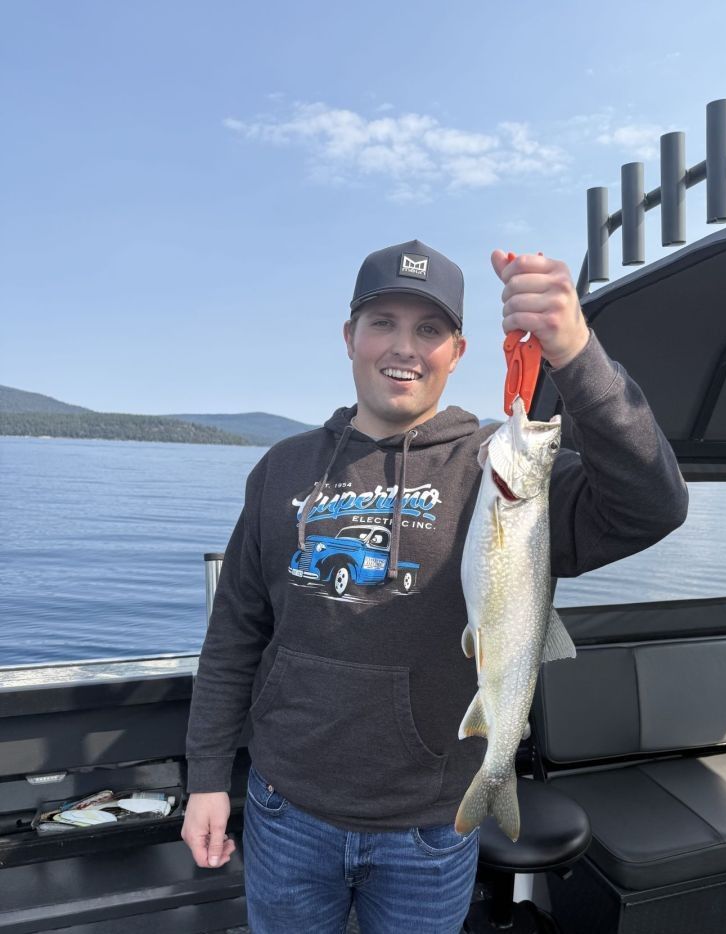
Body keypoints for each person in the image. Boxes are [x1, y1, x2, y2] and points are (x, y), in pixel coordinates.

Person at [181, 239, 688, 933]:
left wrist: (575, 352)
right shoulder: (281, 468)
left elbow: (651, 505)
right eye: (382, 322)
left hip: (431, 822)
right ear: (349, 337)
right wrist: (207, 775)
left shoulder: (496, 467)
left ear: (458, 350)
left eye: (429, 329)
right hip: (285, 807)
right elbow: (235, 632)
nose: (404, 347)